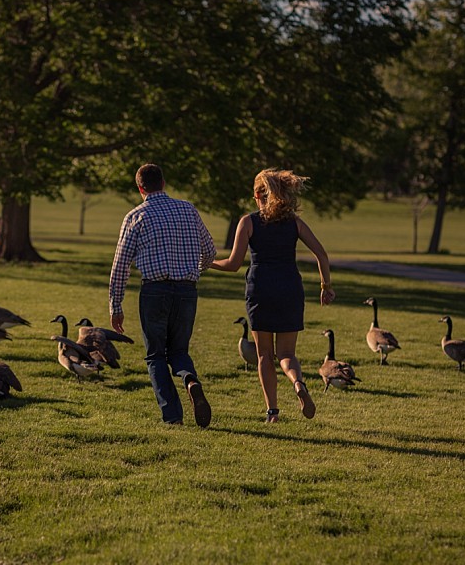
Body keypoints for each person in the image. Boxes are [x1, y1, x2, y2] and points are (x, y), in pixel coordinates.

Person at [210, 168, 335, 423]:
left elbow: (234, 264)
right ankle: (297, 382)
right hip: (290, 288)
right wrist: (325, 286)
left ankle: (273, 413)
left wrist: (208, 262)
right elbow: (322, 254)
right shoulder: (294, 223)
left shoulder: (248, 222)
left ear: (258, 194)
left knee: (265, 354)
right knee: (287, 354)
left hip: (261, 289)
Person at [109, 164, 217, 428]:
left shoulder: (136, 216)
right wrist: (192, 268)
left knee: (156, 355)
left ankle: (173, 417)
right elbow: (210, 251)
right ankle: (190, 379)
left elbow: (121, 265)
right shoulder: (188, 210)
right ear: (164, 183)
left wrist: (115, 305)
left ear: (140, 188)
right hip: (187, 290)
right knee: (179, 350)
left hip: (155, 291)